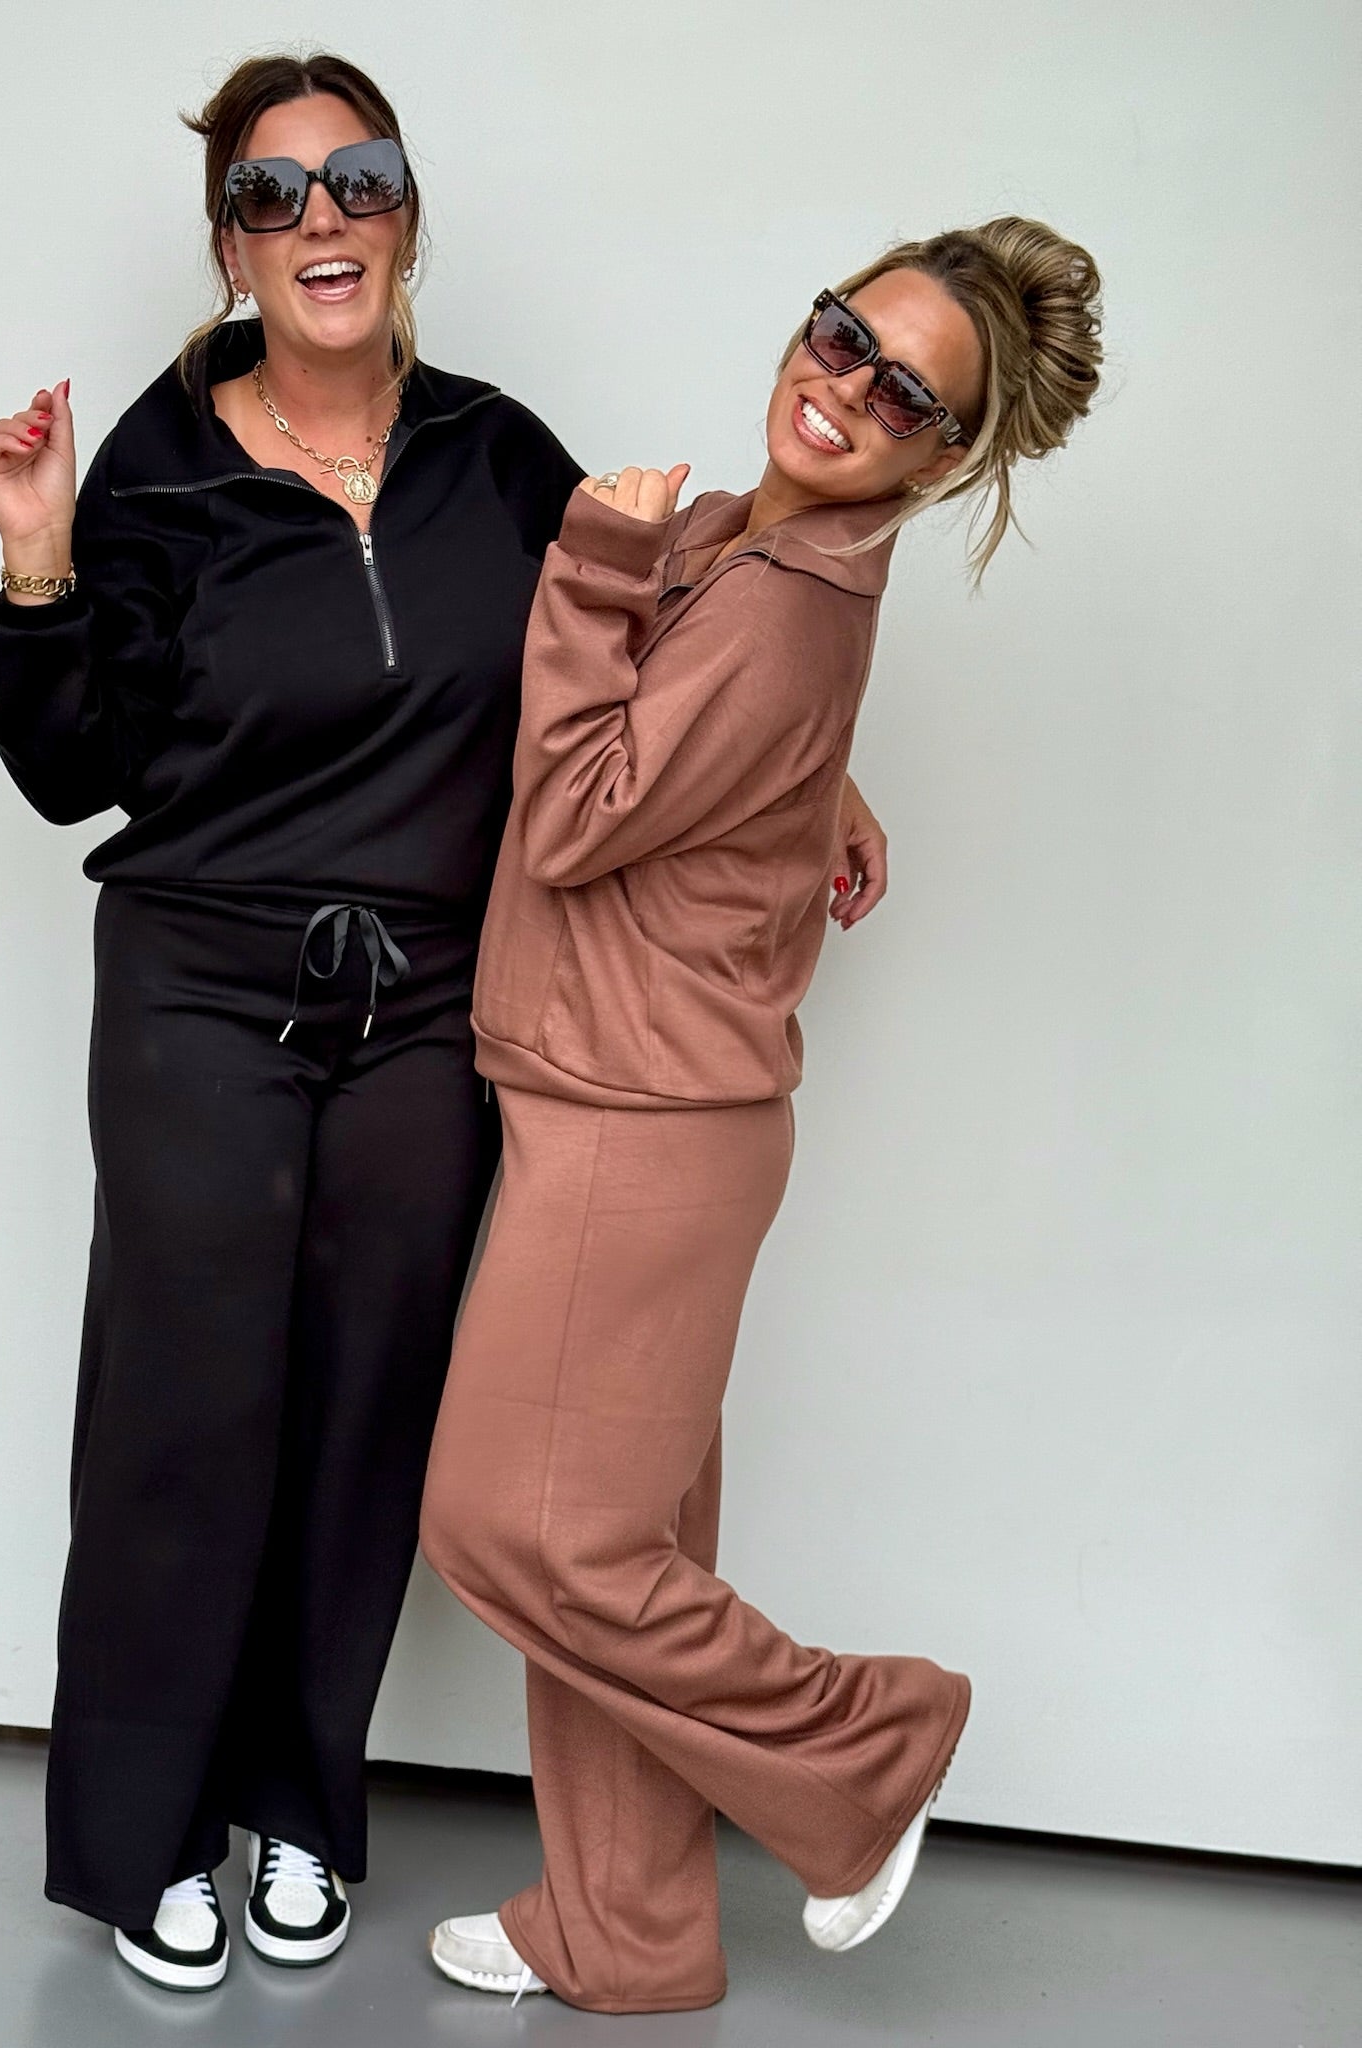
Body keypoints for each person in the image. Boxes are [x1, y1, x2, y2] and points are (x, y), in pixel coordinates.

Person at [0, 47, 896, 1994]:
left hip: (430, 999)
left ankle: (304, 1804)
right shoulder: (158, 464)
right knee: (182, 1414)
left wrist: (817, 780)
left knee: (373, 1409)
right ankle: (150, 1836)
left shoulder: (494, 451)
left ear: (405, 216)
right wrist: (38, 556)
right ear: (228, 247)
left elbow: (653, 652)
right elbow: (69, 771)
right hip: (203, 983)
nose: (322, 217)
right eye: (273, 193)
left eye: (359, 177)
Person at [420, 218, 1104, 2015]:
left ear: (941, 461)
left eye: (906, 397)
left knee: (516, 1533)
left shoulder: (784, 598)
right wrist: (817, 787)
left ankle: (866, 1748)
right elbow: (715, 725)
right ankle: (627, 1928)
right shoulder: (755, 540)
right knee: (618, 1551)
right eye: (843, 334)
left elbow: (579, 813)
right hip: (647, 1103)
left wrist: (592, 561)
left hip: (640, 1123)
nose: (846, 387)